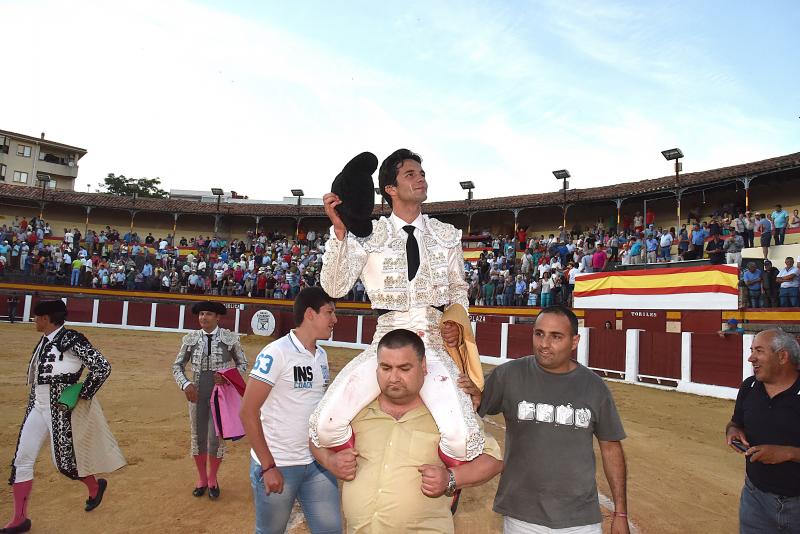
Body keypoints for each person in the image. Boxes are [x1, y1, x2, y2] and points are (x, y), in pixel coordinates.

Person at [311, 149, 485, 466]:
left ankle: (437, 486)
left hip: (432, 344)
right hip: (385, 343)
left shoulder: (445, 234)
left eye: (422, 173)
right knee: (325, 427)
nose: (420, 178)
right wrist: (339, 232)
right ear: (390, 188)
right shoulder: (368, 234)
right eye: (410, 174)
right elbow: (334, 288)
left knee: (463, 442)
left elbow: (459, 289)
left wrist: (455, 323)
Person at [312, 329, 503, 533]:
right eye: (386, 368)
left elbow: (493, 460)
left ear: (423, 367)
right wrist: (330, 461)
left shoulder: (448, 415)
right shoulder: (355, 410)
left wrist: (451, 478)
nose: (394, 377)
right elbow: (314, 439)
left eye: (404, 368)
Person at [479, 306, 629, 534]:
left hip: (580, 522)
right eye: (539, 334)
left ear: (574, 341)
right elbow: (469, 408)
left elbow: (611, 448)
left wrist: (620, 513)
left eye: (556, 336)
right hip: (522, 517)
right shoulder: (508, 376)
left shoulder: (594, 387)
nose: (544, 344)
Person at [4, 300, 117, 534]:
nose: (35, 321)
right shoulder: (46, 340)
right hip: (37, 403)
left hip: (60, 405)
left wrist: (80, 394)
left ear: (46, 318)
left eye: (37, 317)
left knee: (64, 463)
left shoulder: (72, 339)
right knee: (22, 460)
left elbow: (102, 367)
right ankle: (19, 518)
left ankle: (95, 486)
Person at [240, 287, 341, 534]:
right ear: (310, 314)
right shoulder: (277, 353)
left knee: (331, 530)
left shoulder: (322, 355)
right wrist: (267, 466)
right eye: (329, 312)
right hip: (280, 464)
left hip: (316, 462)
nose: (335, 320)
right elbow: (247, 411)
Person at [725, 328, 800, 534]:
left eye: (759, 351)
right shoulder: (749, 387)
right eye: (752, 350)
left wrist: (788, 453)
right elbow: (735, 423)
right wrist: (733, 431)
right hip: (755, 500)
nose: (751, 358)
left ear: (782, 356)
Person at [172, 301, 248, 499]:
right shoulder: (190, 339)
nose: (203, 318)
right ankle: (202, 479)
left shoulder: (229, 338)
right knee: (198, 437)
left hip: (219, 394)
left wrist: (227, 377)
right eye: (201, 314)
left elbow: (243, 363)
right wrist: (185, 384)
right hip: (197, 392)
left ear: (218, 318)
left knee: (215, 438)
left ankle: (212, 478)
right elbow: (177, 366)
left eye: (208, 314)